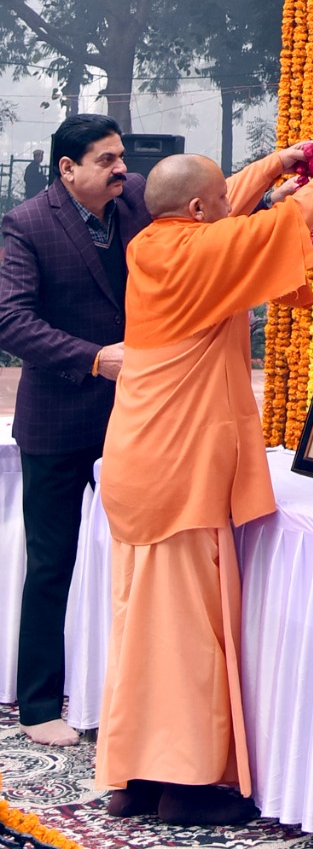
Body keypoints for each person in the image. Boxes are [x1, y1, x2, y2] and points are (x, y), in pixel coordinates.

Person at [95, 117, 313, 827]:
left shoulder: (156, 242)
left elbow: (226, 202)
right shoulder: (204, 252)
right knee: (182, 634)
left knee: (143, 628)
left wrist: (276, 161)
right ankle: (183, 784)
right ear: (201, 214)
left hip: (141, 464)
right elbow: (296, 218)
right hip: (177, 474)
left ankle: (134, 778)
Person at [0, 115, 149, 745]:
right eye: (106, 159)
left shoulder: (139, 198)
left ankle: (131, 694)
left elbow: (212, 202)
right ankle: (38, 707)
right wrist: (96, 358)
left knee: (144, 563)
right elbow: (10, 321)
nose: (122, 169)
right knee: (53, 563)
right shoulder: (27, 224)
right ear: (67, 169)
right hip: (58, 422)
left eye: (122, 156)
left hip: (135, 419)